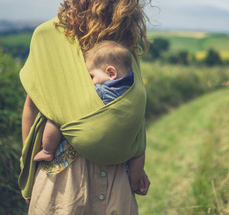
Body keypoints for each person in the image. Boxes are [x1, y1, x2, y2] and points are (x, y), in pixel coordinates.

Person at [19, 0, 151, 215]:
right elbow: (33, 106)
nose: (132, 0)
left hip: (116, 182)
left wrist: (138, 168)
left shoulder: (124, 46)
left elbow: (129, 112)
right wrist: (31, 174)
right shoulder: (49, 37)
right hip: (62, 182)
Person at [33, 41, 145, 185]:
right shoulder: (133, 88)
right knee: (139, 151)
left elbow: (70, 103)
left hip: (95, 148)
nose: (90, 82)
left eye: (91, 76)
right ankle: (134, 183)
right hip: (123, 152)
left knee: (56, 117)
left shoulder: (101, 91)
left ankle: (47, 152)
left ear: (111, 73)